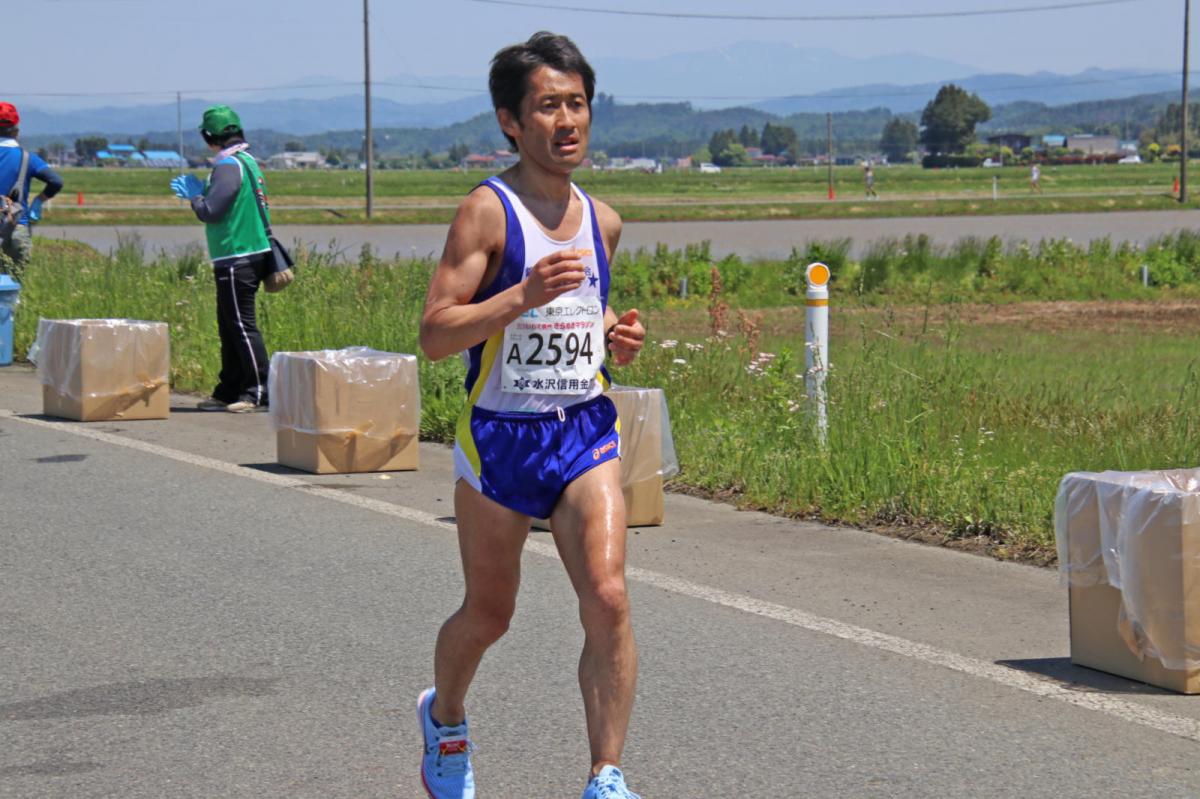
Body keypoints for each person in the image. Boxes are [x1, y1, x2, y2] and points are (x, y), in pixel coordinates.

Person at [417, 32, 646, 799]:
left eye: (577, 103)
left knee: (608, 596)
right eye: (548, 105)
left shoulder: (603, 221)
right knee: (490, 613)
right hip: (501, 440)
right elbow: (435, 334)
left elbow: (588, 308)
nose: (567, 120)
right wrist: (520, 295)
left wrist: (616, 334)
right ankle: (445, 717)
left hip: (582, 427)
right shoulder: (487, 213)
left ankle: (606, 775)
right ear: (511, 121)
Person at [170, 105, 272, 413]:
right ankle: (228, 390)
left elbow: (210, 211)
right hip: (247, 253)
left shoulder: (228, 166)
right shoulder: (247, 161)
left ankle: (258, 391)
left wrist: (195, 196)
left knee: (240, 326)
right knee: (229, 326)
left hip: (237, 256)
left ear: (208, 137)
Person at [0, 102, 64, 276]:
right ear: (16, 131)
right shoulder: (27, 158)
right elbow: (56, 181)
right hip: (16, 227)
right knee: (13, 282)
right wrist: (38, 201)